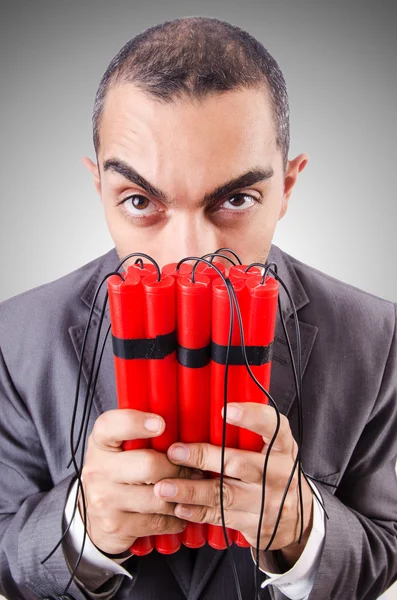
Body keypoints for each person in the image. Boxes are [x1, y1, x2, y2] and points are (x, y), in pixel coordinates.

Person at [0, 15, 396, 600]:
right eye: (140, 200)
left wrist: (302, 530)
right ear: (100, 190)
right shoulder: (15, 336)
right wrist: (82, 529)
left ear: (287, 187)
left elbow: (385, 546)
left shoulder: (378, 335)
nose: (189, 257)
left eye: (236, 198)